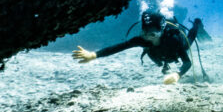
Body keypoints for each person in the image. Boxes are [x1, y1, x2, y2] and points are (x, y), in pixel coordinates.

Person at [72, 10, 205, 84]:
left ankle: (197, 25)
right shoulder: (143, 40)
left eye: (152, 34)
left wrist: (178, 74)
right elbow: (119, 47)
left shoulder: (173, 40)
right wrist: (94, 55)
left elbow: (187, 62)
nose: (148, 38)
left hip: (175, 49)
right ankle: (163, 63)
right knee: (153, 53)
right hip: (159, 54)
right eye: (145, 33)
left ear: (161, 31)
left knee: (190, 39)